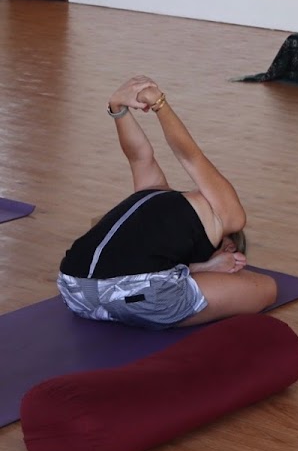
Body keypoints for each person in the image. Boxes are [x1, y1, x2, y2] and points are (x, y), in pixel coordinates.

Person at [56, 76, 277, 329]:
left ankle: (130, 310)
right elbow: (185, 156)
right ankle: (146, 313)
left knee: (151, 283)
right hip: (142, 296)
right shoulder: (230, 217)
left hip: (73, 290)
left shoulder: (151, 192)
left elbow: (139, 156)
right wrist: (151, 105)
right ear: (229, 248)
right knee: (267, 288)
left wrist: (119, 108)